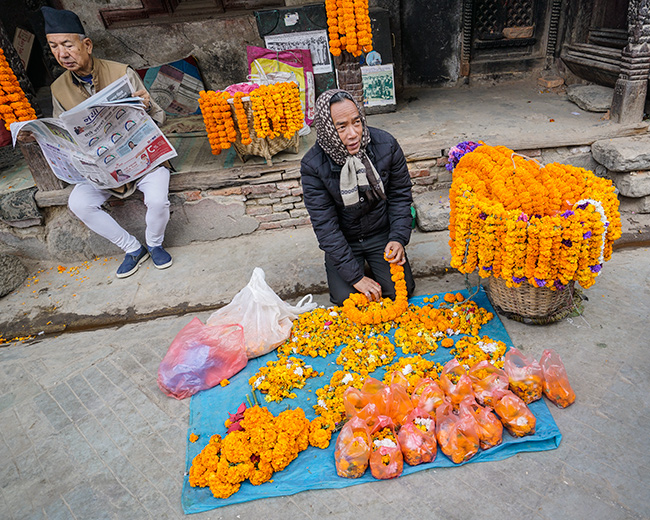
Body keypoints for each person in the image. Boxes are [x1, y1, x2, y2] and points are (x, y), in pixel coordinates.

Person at [40, 6, 172, 278]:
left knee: (157, 201)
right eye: (54, 46)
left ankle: (155, 244)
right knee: (78, 202)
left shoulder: (121, 72)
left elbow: (160, 117)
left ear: (86, 44)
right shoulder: (57, 88)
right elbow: (64, 133)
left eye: (68, 44)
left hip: (141, 162)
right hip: (101, 170)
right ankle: (133, 249)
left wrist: (144, 106)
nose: (62, 54)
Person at [301, 89, 415, 306]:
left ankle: (374, 262)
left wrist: (398, 238)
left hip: (380, 233)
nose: (353, 133)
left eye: (356, 122)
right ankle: (356, 267)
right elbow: (325, 226)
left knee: (401, 291)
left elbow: (400, 196)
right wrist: (356, 277)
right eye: (341, 127)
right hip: (345, 240)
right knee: (347, 299)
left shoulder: (386, 145)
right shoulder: (313, 165)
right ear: (327, 129)